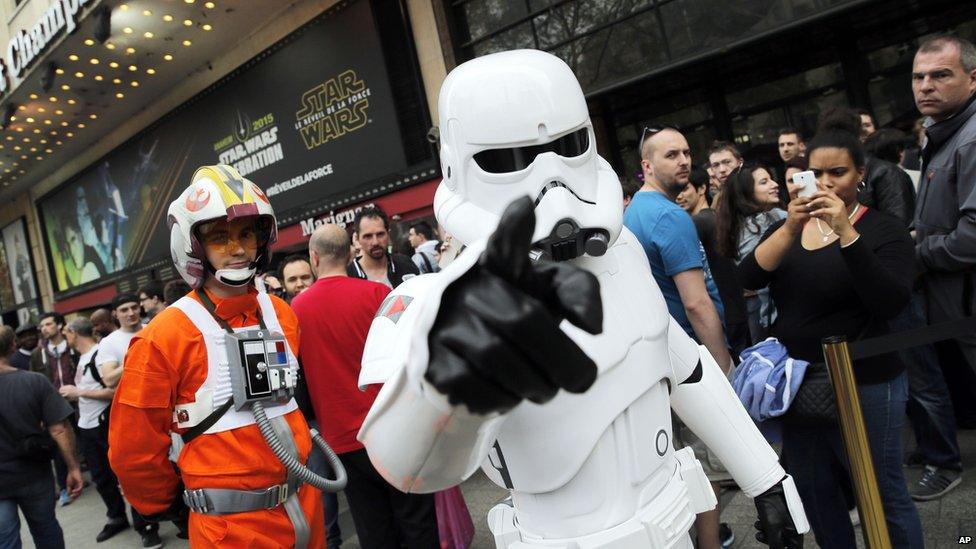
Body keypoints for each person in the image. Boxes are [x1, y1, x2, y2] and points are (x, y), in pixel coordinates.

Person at [356, 50, 809, 549]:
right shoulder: (435, 301)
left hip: (675, 525)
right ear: (457, 166)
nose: (553, 180)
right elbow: (407, 468)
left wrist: (766, 478)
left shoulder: (624, 252)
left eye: (568, 146)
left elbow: (685, 369)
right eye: (510, 158)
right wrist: (446, 380)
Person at [108, 165, 335, 547]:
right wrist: (163, 506)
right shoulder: (164, 335)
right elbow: (134, 446)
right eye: (220, 237)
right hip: (230, 526)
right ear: (192, 246)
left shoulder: (281, 314)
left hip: (304, 502)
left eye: (247, 233)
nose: (238, 248)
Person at [737, 126, 923, 547]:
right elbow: (748, 277)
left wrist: (846, 232)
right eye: (814, 172)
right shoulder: (791, 228)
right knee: (815, 490)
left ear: (860, 174)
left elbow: (890, 301)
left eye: (836, 172)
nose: (824, 183)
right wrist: (789, 229)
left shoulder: (883, 230)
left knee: (882, 488)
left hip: (867, 379)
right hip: (800, 384)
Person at [294, 224, 439, 547]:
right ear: (350, 253)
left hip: (343, 439)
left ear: (313, 258)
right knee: (418, 522)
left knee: (373, 529)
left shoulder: (297, 311)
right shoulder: (376, 295)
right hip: (394, 429)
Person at [628, 128, 735, 547]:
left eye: (688, 152)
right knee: (708, 468)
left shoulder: (632, 212)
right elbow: (697, 302)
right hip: (689, 359)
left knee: (678, 464)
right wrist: (721, 364)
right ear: (647, 166)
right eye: (672, 154)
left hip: (658, 361)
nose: (684, 161)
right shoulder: (668, 215)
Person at [912, 33, 976, 459]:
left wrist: (917, 249)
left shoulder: (970, 139)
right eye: (918, 77)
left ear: (972, 80)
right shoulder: (943, 135)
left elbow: (972, 238)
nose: (926, 86)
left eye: (940, 75)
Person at [0, 325, 83, 549]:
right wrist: (73, 468)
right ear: (13, 347)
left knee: (4, 539)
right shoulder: (34, 381)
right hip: (33, 473)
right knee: (46, 528)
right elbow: (60, 429)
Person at [59, 317, 138, 543]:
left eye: (67, 331)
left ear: (74, 333)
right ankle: (116, 517)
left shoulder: (98, 355)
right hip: (87, 426)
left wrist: (78, 392)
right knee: (101, 477)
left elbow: (114, 392)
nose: (66, 336)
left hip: (104, 424)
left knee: (122, 475)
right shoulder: (81, 358)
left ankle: (144, 520)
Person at [678, 169, 750, 359]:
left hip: (724, 315)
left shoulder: (698, 222)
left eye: (685, 189)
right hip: (736, 310)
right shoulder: (715, 217)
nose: (680, 196)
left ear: (702, 188)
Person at [715, 164, 787, 344]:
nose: (774, 184)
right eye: (764, 182)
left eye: (771, 178)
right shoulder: (758, 225)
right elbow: (760, 279)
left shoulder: (740, 226)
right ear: (746, 193)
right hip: (780, 315)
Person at [29, 311, 78, 507]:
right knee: (59, 445)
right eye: (42, 326)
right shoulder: (38, 353)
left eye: (48, 324)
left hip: (77, 399)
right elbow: (33, 378)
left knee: (86, 439)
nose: (44, 328)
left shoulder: (71, 345)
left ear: (59, 325)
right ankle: (64, 488)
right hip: (53, 405)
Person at [347, 207, 419, 288]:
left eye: (380, 234)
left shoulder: (405, 264)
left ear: (388, 234)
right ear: (357, 238)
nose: (375, 242)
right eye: (368, 236)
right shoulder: (349, 276)